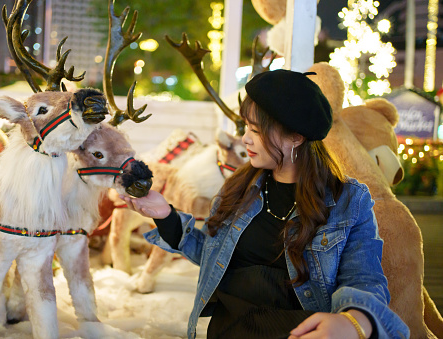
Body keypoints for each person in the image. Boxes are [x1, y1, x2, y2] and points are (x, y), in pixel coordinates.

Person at [121, 69, 409, 339]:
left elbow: (365, 279)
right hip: (228, 329)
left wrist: (353, 321)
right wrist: (165, 215)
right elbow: (215, 257)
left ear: (296, 137)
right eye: (246, 126)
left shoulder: (348, 201)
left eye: (256, 130)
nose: (245, 138)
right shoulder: (238, 188)